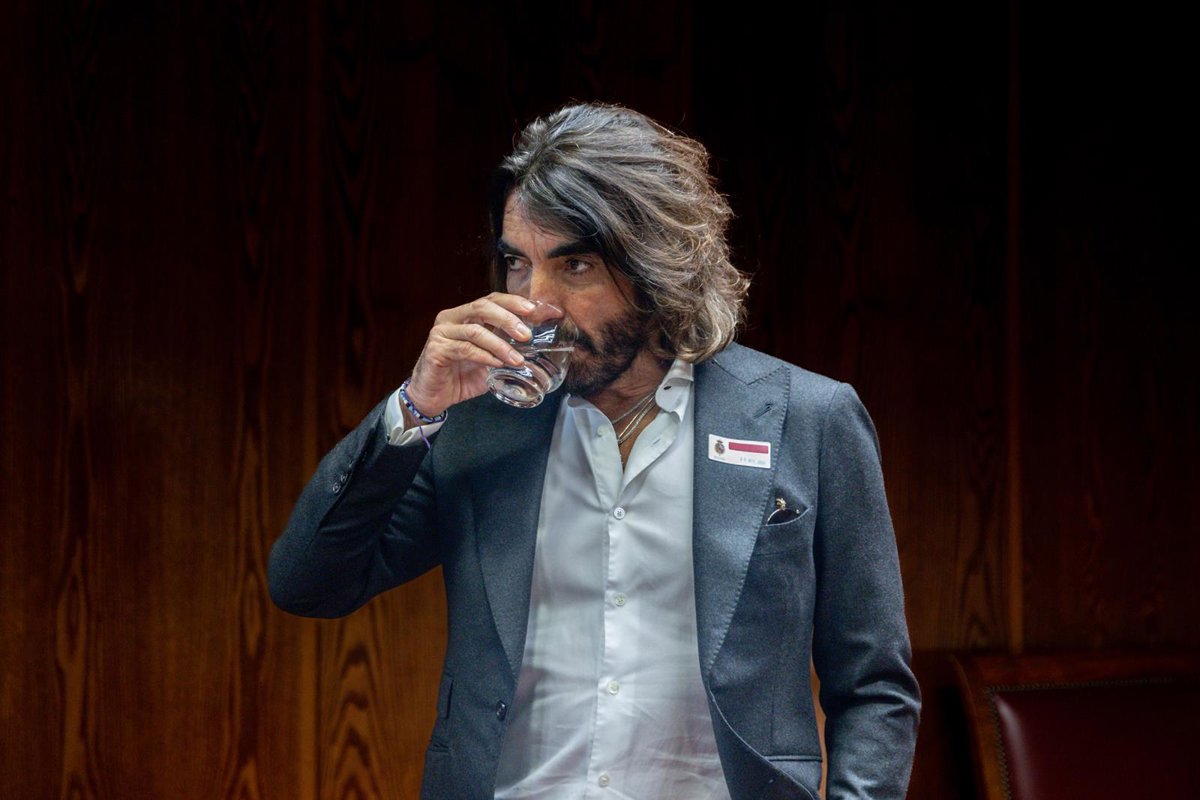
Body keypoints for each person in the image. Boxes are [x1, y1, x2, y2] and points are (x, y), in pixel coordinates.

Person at [269, 102, 920, 800]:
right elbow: (309, 583)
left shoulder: (810, 418)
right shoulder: (475, 422)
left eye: (574, 265)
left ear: (658, 267)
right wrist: (415, 407)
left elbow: (873, 687)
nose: (536, 303)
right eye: (518, 264)